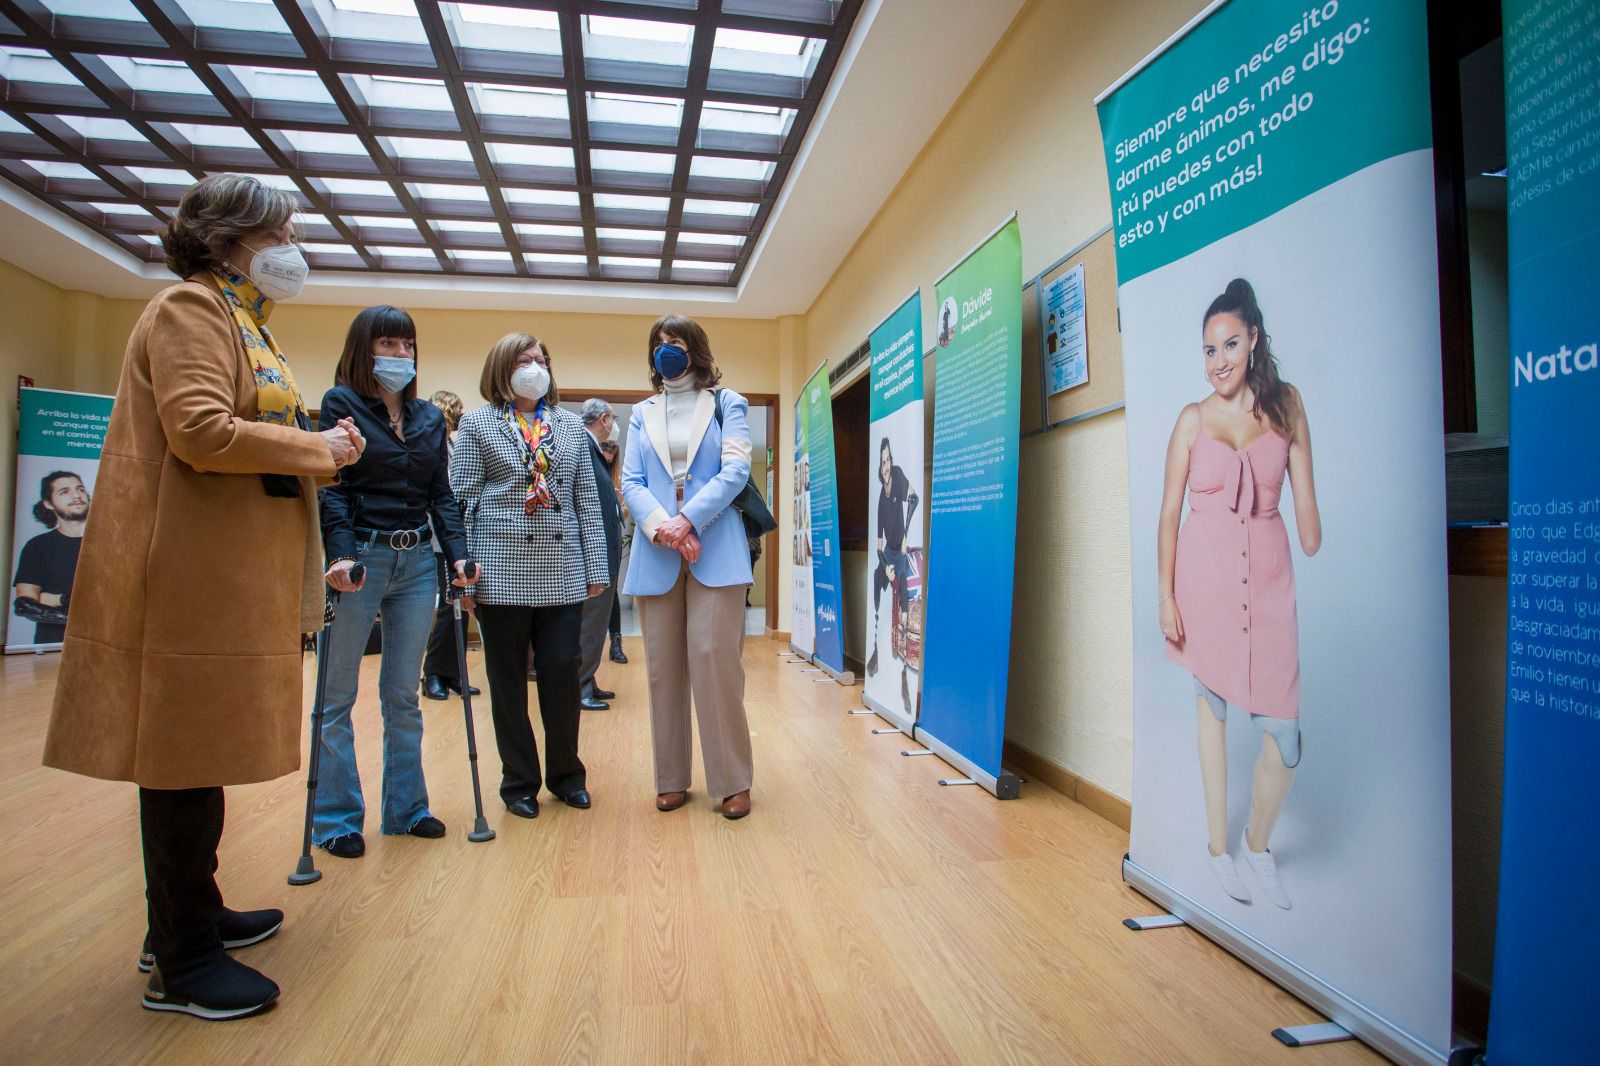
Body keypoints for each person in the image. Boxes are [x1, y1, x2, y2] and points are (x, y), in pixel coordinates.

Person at [42, 173, 365, 1020]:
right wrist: (318, 446)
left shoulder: (240, 319)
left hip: (218, 581)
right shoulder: (190, 309)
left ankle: (196, 914)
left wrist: (318, 448)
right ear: (232, 239)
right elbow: (201, 431)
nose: (294, 250)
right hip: (183, 581)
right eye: (282, 233)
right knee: (180, 763)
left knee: (198, 756)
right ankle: (180, 962)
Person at [1157, 278, 1321, 911]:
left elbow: (1309, 528)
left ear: (1253, 340)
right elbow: (1168, 517)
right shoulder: (1191, 421)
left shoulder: (1287, 408)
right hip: (1205, 587)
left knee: (1285, 736)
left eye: (1229, 344)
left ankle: (1257, 842)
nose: (1218, 360)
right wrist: (1166, 597)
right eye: (1208, 349)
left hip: (1271, 586)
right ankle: (1216, 851)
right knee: (1213, 710)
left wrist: (1301, 458)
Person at [313, 306, 473, 858]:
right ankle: (336, 820)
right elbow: (332, 487)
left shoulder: (429, 418)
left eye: (407, 346)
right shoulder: (341, 406)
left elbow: (439, 495)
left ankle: (407, 809)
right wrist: (339, 553)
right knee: (336, 694)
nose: (400, 355)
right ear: (364, 349)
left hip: (416, 565)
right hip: (361, 557)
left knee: (402, 694)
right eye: (388, 344)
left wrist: (458, 555)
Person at [451, 332, 607, 818]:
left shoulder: (570, 427)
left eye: (542, 360)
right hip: (497, 569)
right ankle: (518, 782)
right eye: (524, 360)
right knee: (507, 680)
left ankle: (566, 776)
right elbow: (460, 502)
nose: (536, 368)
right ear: (503, 368)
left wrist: (596, 566)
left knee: (562, 670)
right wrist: (462, 577)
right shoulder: (477, 424)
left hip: (561, 569)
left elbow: (587, 501)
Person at [620, 314, 755, 820]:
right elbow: (631, 480)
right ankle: (671, 777)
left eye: (674, 341)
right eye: (657, 342)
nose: (665, 349)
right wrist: (663, 527)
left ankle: (732, 781)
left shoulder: (727, 403)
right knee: (662, 668)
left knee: (715, 662)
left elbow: (736, 470)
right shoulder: (641, 413)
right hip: (657, 549)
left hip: (714, 545)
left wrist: (688, 520)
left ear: (694, 348)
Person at [422, 390, 480, 702]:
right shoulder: (431, 445)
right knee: (448, 607)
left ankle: (453, 673)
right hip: (438, 540)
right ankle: (432, 673)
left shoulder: (454, 445)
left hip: (457, 540)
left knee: (461, 607)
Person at [576, 398, 623, 710]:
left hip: (604, 555)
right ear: (604, 419)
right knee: (590, 625)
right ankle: (579, 687)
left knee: (595, 622)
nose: (613, 425)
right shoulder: (585, 448)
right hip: (596, 558)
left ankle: (588, 680)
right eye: (613, 418)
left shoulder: (594, 451)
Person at [12, 471, 90, 644]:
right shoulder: (38, 546)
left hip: (109, 646)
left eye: (81, 489)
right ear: (48, 503)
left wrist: (54, 599)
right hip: (53, 645)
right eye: (64, 492)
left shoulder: (114, 542)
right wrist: (72, 609)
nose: (76, 495)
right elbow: (25, 604)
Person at [866, 437, 918, 679]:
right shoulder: (879, 499)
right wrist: (884, 566)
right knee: (878, 577)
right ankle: (876, 638)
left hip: (901, 548)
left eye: (888, 460)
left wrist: (906, 533)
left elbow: (914, 498)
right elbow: (878, 548)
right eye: (882, 462)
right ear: (879, 466)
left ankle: (906, 641)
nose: (886, 466)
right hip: (888, 550)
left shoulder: (897, 476)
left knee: (904, 576)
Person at [600, 438, 630, 665]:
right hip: (591, 538)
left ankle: (616, 644)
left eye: (613, 454)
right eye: (605, 451)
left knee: (611, 593)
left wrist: (620, 503)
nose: (609, 457)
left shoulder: (616, 477)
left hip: (611, 539)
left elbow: (624, 516)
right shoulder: (589, 465)